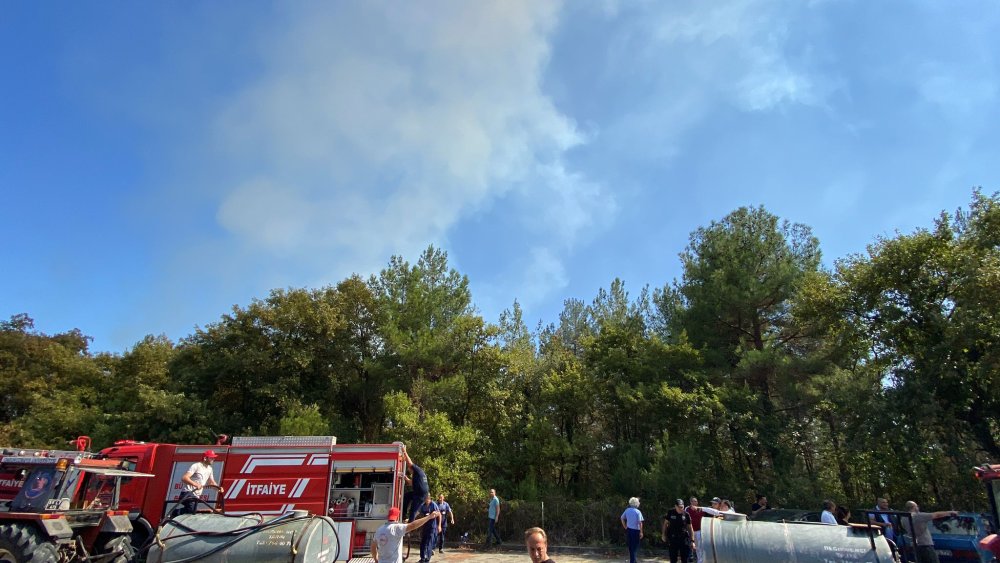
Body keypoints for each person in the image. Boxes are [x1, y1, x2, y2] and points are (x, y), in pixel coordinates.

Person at [372, 506, 442, 563]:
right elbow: (413, 525)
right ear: (397, 517)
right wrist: (429, 517)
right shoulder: (397, 528)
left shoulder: (379, 529)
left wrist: (376, 559)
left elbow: (373, 546)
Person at [173, 450, 223, 516]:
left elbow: (212, 482)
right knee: (192, 510)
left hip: (196, 496)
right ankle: (175, 513)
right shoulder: (196, 466)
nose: (213, 459)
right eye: (211, 458)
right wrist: (195, 484)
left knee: (192, 512)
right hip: (188, 493)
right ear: (205, 458)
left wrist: (218, 489)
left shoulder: (210, 469)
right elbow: (184, 478)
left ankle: (179, 517)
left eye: (214, 458)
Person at [402, 447, 430, 523]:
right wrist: (406, 479)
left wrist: (405, 452)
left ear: (412, 469)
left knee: (413, 510)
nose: (409, 471)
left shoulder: (418, 470)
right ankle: (403, 515)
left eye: (409, 470)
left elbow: (410, 463)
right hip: (418, 493)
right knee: (407, 496)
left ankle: (410, 524)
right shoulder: (417, 475)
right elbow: (412, 483)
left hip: (420, 495)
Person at [662, 499, 695, 563]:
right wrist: (663, 534)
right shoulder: (670, 512)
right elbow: (665, 524)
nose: (681, 508)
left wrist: (692, 541)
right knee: (673, 559)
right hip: (673, 538)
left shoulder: (686, 514)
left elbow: (690, 528)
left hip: (683, 538)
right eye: (679, 507)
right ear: (675, 506)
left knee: (685, 559)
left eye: (682, 507)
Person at [417, 494, 442, 563]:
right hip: (425, 526)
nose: (426, 500)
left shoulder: (433, 505)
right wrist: (410, 518)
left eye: (427, 499)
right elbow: (418, 512)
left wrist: (439, 526)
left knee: (429, 543)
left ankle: (427, 559)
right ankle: (422, 558)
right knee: (423, 543)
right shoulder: (423, 505)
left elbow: (439, 514)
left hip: (432, 527)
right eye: (425, 499)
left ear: (429, 499)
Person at [620, 497, 644, 563]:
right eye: (638, 502)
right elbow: (640, 522)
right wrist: (641, 532)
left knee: (630, 547)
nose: (639, 503)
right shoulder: (638, 511)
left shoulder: (627, 510)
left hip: (629, 530)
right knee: (635, 548)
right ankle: (632, 561)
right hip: (636, 531)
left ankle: (633, 561)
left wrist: (625, 526)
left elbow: (622, 518)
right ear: (636, 503)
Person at [686, 497, 705, 563]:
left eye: (696, 501)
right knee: (689, 547)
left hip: (699, 531)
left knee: (699, 547)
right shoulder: (687, 509)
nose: (694, 503)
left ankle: (700, 561)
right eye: (693, 501)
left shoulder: (700, 509)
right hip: (690, 531)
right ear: (690, 502)